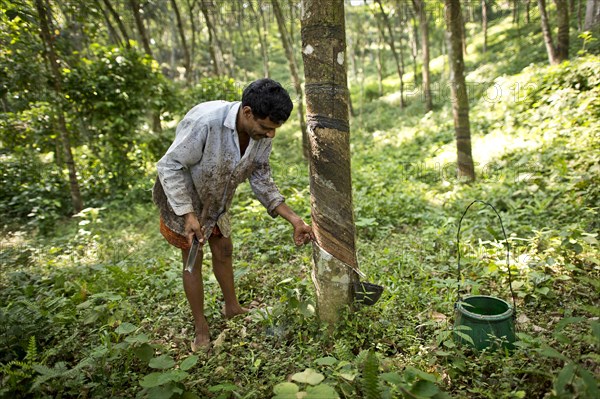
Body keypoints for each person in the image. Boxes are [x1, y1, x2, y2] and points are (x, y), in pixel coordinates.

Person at [153, 78, 314, 351]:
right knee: (192, 257)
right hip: (183, 198)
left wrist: (295, 219)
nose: (270, 135)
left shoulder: (260, 135)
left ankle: (232, 307)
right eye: (265, 127)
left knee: (224, 248)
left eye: (275, 129)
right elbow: (170, 166)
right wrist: (188, 215)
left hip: (217, 198)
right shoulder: (206, 122)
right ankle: (200, 327)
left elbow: (261, 176)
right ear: (247, 112)